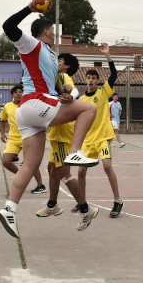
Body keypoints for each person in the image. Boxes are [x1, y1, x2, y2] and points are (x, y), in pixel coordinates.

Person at [0, 0, 99, 238]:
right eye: (52, 29)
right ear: (46, 31)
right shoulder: (31, 44)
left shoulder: (52, 57)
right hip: (35, 103)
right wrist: (29, 9)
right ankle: (76, 151)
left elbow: (52, 86)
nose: (54, 32)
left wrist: (63, 92)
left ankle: (9, 209)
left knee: (31, 164)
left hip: (30, 111)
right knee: (88, 109)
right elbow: (8, 27)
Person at [76, 43, 124, 218]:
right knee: (81, 171)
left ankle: (117, 201)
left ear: (97, 81)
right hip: (88, 140)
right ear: (85, 80)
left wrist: (108, 56)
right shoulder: (81, 99)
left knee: (107, 166)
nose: (90, 80)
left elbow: (114, 75)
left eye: (93, 78)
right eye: (88, 78)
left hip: (103, 137)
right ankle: (82, 203)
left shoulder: (104, 92)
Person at [35, 53, 83, 218]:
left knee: (64, 171)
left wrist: (71, 96)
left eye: (60, 61)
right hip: (57, 132)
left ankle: (85, 209)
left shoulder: (63, 76)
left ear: (66, 66)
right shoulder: (52, 77)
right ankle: (52, 205)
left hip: (63, 132)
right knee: (52, 169)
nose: (56, 62)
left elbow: (74, 90)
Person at [0, 84, 46, 194]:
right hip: (13, 139)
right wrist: (2, 133)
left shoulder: (28, 105)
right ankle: (22, 176)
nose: (19, 93)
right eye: (16, 92)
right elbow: (3, 119)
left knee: (30, 163)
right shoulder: (8, 106)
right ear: (12, 94)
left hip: (28, 138)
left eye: (21, 91)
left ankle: (41, 185)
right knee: (6, 161)